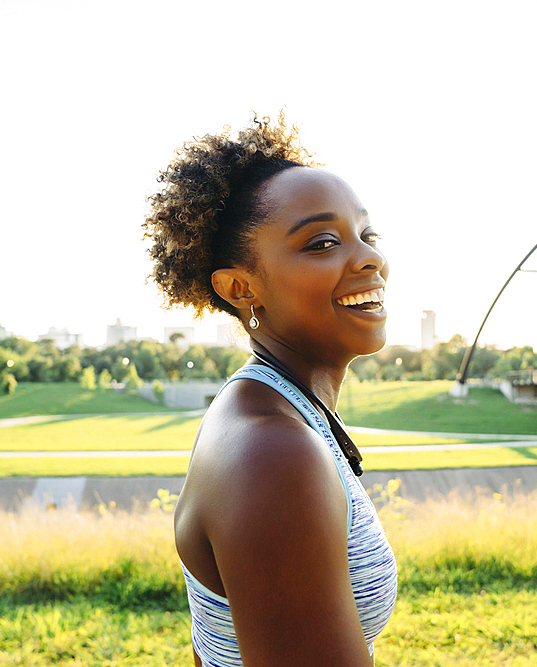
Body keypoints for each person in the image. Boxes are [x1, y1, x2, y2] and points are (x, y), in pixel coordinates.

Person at [143, 113, 397, 666]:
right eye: (323, 242)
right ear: (242, 287)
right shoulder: (273, 453)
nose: (372, 258)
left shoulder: (275, 412)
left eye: (367, 235)